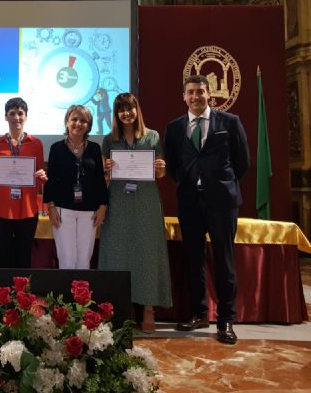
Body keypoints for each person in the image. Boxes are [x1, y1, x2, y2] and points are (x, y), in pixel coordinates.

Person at [164, 74, 250, 345]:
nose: (195, 97)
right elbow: (173, 166)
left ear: (208, 94)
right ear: (184, 96)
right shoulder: (174, 128)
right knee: (193, 259)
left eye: (200, 92)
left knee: (224, 259)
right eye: (190, 92)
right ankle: (199, 313)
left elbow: (242, 162)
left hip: (222, 202)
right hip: (190, 201)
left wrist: (220, 184)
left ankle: (226, 319)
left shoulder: (230, 122)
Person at [98, 93, 172, 333]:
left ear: (137, 110)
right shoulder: (109, 140)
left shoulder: (152, 136)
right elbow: (104, 175)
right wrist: (105, 169)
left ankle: (148, 309)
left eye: (129, 108)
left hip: (145, 202)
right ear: (116, 114)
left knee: (147, 252)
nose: (126, 113)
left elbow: (160, 173)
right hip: (118, 201)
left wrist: (160, 168)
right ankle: (120, 309)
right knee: (117, 253)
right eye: (121, 109)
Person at [0, 97, 47, 268]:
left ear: (26, 116)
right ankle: (4, 287)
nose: (16, 117)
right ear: (6, 117)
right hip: (0, 208)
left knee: (24, 258)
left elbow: (39, 176)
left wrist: (42, 176)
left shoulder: (36, 144)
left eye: (20, 113)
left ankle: (23, 287)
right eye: (12, 113)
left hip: (27, 209)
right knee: (3, 257)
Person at [43, 105, 108, 269]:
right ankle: (67, 288)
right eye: (74, 119)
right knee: (67, 259)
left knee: (84, 260)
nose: (78, 123)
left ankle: (82, 287)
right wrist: (51, 207)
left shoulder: (95, 148)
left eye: (83, 121)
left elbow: (100, 180)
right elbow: (51, 180)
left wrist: (103, 206)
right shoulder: (56, 148)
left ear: (89, 125)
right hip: (63, 209)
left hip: (89, 211)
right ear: (67, 122)